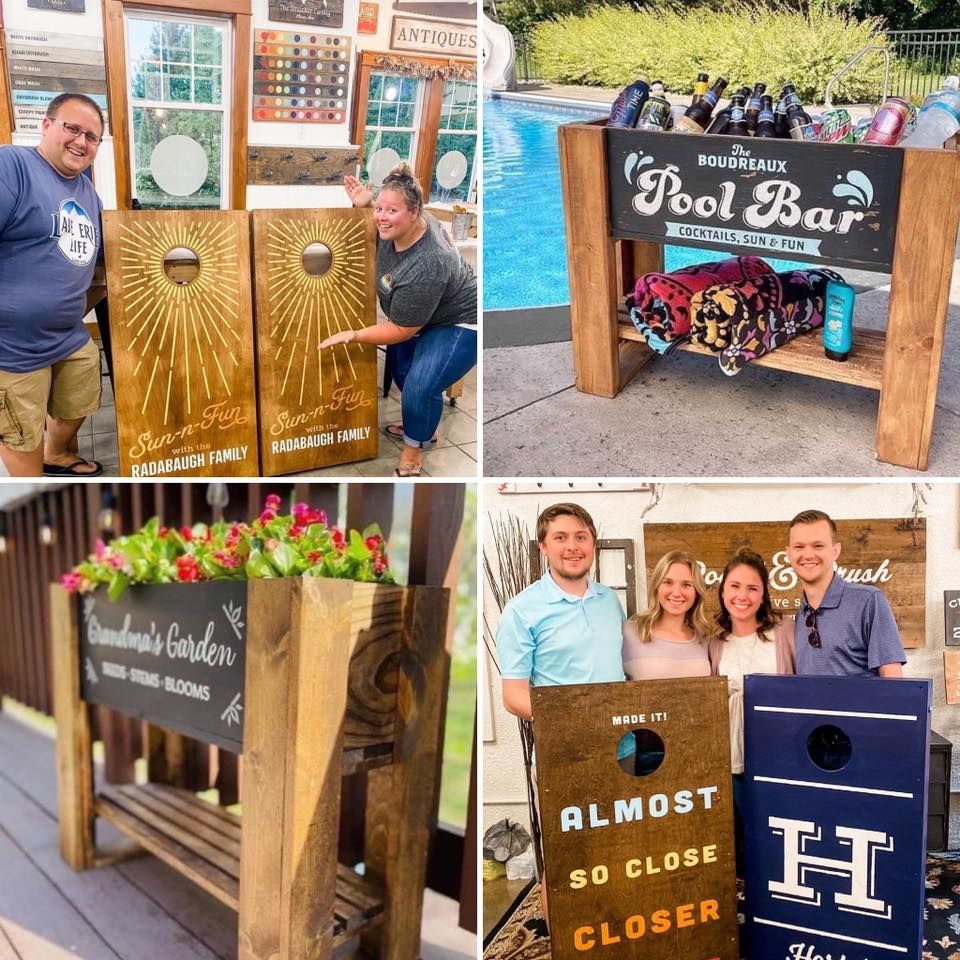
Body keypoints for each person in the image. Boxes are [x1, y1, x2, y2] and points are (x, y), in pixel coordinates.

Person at [496, 502, 626, 925]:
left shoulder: (610, 601)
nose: (572, 547)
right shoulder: (522, 609)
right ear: (543, 547)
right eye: (561, 538)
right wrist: (574, 721)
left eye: (580, 537)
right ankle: (562, 936)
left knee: (618, 841)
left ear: (592, 542)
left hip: (620, 747)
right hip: (563, 752)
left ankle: (611, 923)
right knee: (567, 851)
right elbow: (513, 695)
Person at [320, 162, 477, 477]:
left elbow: (403, 330)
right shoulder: (402, 223)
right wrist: (365, 204)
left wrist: (353, 334)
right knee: (405, 374)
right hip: (423, 313)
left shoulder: (430, 261)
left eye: (391, 211)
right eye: (380, 208)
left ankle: (412, 454)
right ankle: (425, 428)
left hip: (460, 322)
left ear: (415, 212)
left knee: (420, 384)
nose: (380, 217)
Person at [0, 93, 106, 477]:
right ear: (47, 126)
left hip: (66, 335)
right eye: (72, 128)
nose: (81, 141)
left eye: (91, 136)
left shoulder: (87, 193)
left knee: (82, 389)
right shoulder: (12, 165)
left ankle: (56, 452)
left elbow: (95, 261)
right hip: (12, 347)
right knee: (20, 436)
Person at [708, 547, 795, 872]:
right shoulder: (714, 641)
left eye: (752, 588)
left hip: (778, 758)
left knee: (776, 835)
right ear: (722, 591)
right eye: (734, 586)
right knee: (741, 837)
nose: (742, 595)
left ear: (763, 595)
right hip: (731, 757)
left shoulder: (785, 632)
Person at [787, 509, 905, 677]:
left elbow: (893, 680)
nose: (807, 554)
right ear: (789, 553)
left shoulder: (868, 602)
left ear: (835, 551)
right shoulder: (800, 616)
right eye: (799, 547)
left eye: (818, 546)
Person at [622, 549, 713, 681]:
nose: (676, 593)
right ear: (657, 586)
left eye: (686, 585)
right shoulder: (630, 632)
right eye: (668, 582)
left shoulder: (704, 638)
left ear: (696, 592)